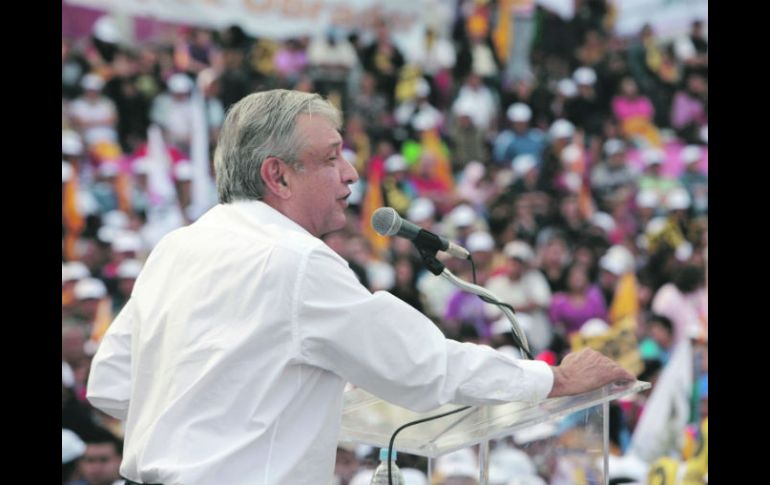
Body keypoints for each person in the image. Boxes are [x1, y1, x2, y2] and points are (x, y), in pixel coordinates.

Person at [88, 89, 633, 484]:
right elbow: (422, 366)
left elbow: (111, 384)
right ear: (277, 176)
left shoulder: (176, 247)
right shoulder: (297, 261)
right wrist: (551, 379)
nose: (351, 174)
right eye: (330, 158)